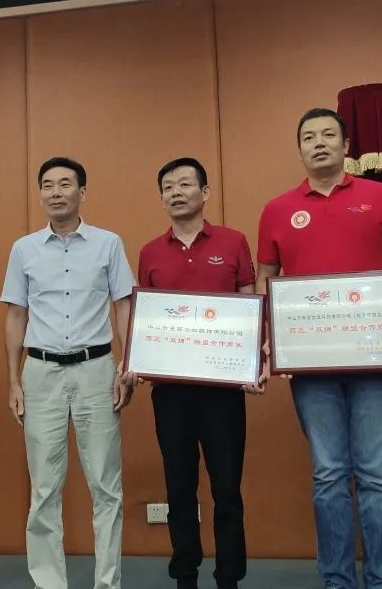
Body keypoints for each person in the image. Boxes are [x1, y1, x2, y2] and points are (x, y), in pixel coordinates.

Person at [255, 109, 382, 589]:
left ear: (346, 145)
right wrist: (270, 338)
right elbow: (266, 279)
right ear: (300, 150)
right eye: (308, 137)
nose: (319, 142)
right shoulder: (277, 209)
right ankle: (337, 581)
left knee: (375, 475)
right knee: (328, 475)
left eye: (329, 134)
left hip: (376, 357)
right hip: (311, 364)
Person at [1, 156, 136, 589]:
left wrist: (126, 364)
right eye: (47, 185)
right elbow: (16, 315)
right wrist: (13, 379)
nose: (55, 192)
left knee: (106, 485)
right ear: (40, 193)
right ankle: (49, 583)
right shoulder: (23, 249)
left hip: (96, 369)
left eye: (65, 183)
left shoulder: (108, 244)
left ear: (82, 192)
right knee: (43, 488)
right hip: (40, 372)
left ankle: (107, 582)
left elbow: (123, 306)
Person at [134, 157, 262, 589]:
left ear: (205, 192)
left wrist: (252, 362)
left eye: (185, 184)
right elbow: (148, 319)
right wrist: (137, 359)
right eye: (168, 187)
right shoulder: (150, 252)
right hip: (171, 390)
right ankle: (185, 574)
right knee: (179, 488)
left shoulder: (234, 241)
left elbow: (249, 306)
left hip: (223, 389)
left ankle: (229, 576)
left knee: (227, 489)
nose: (176, 192)